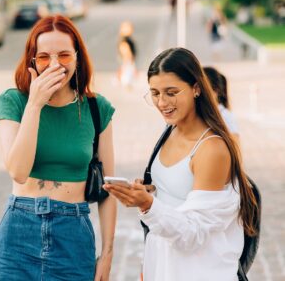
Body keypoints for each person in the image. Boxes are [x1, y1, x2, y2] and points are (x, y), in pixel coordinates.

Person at [104, 48, 259, 281]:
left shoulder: (211, 149)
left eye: (171, 92)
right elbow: (175, 195)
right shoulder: (170, 132)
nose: (162, 102)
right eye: (154, 93)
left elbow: (193, 233)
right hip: (165, 269)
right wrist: (149, 191)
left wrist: (148, 205)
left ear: (196, 88)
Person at [0, 15, 117, 280]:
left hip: (73, 235)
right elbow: (18, 171)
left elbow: (108, 190)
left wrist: (107, 254)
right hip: (18, 235)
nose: (55, 64)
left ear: (78, 57)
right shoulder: (14, 102)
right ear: (32, 61)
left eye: (64, 55)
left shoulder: (97, 108)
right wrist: (35, 104)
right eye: (44, 56)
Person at [203, 66, 240, 141]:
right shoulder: (204, 114)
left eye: (202, 89)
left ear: (216, 91)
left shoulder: (225, 117)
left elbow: (236, 146)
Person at [117, 21, 137, 89]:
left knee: (128, 70)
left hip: (129, 59)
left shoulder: (127, 39)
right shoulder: (125, 40)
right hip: (128, 59)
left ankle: (127, 83)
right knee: (127, 71)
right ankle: (126, 83)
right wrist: (128, 59)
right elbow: (125, 50)